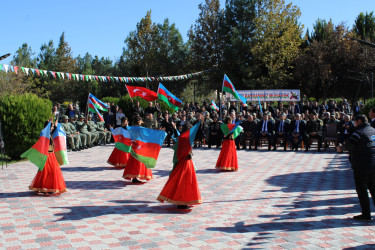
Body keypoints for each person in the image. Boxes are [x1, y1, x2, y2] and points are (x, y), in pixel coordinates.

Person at [157, 122, 202, 209]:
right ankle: (183, 202)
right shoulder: (186, 139)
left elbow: (177, 137)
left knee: (181, 183)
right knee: (185, 184)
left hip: (183, 163)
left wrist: (174, 128)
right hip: (186, 163)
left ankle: (182, 201)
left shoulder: (181, 138)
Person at [340, 115, 375, 222]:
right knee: (374, 189)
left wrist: (340, 148)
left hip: (362, 165)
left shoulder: (358, 132)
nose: (354, 124)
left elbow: (349, 145)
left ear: (359, 121)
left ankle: (366, 215)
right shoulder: (373, 130)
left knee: (362, 190)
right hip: (373, 164)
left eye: (354, 122)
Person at [28, 118, 67, 196]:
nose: (52, 128)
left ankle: (51, 187)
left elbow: (55, 129)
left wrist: (55, 121)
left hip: (52, 155)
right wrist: (50, 124)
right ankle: (43, 187)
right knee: (45, 172)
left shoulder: (50, 133)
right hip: (46, 155)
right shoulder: (44, 133)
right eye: (51, 126)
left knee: (53, 172)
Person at [122, 117, 153, 183]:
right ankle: (136, 176)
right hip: (138, 146)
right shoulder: (139, 128)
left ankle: (134, 177)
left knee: (134, 161)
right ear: (138, 121)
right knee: (138, 162)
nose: (141, 121)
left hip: (134, 145)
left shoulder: (132, 128)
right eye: (140, 120)